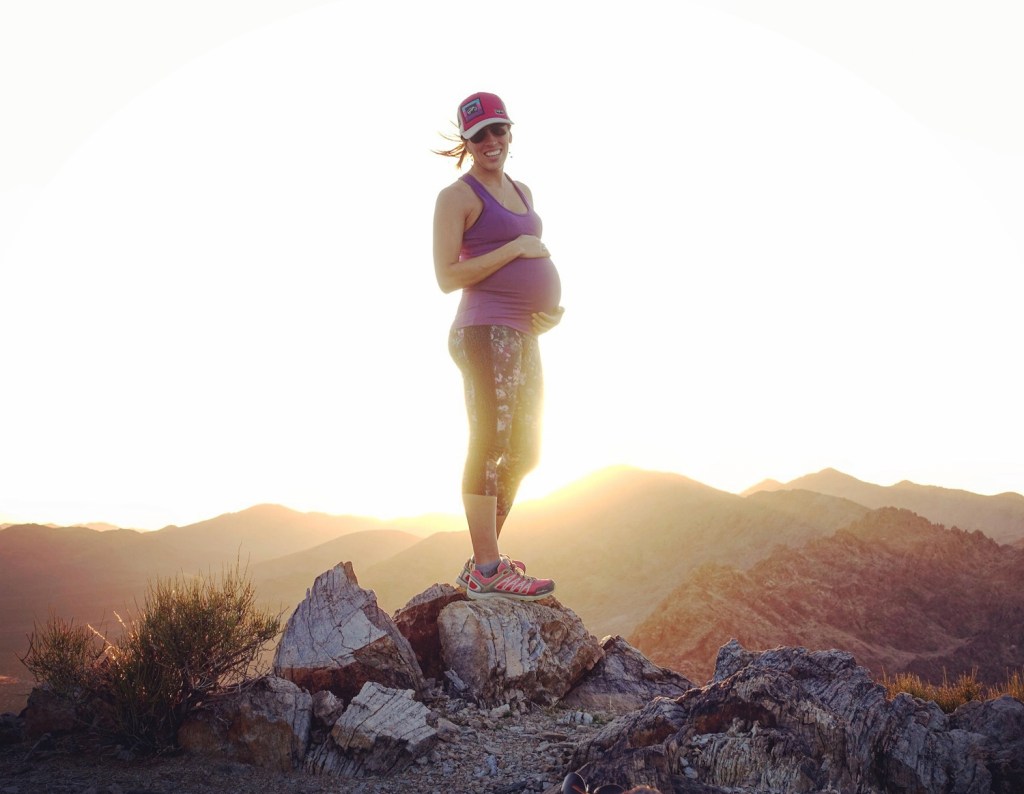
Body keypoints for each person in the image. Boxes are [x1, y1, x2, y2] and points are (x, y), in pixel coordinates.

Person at [432, 91, 565, 601]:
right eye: (479, 134)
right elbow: (447, 276)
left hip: (523, 333)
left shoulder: (522, 189)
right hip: (484, 331)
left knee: (527, 447)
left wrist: (546, 313)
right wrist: (518, 248)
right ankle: (488, 567)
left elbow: (528, 266)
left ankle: (484, 562)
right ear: (466, 143)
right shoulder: (457, 197)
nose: (491, 141)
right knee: (490, 439)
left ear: (510, 132)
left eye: (498, 130)